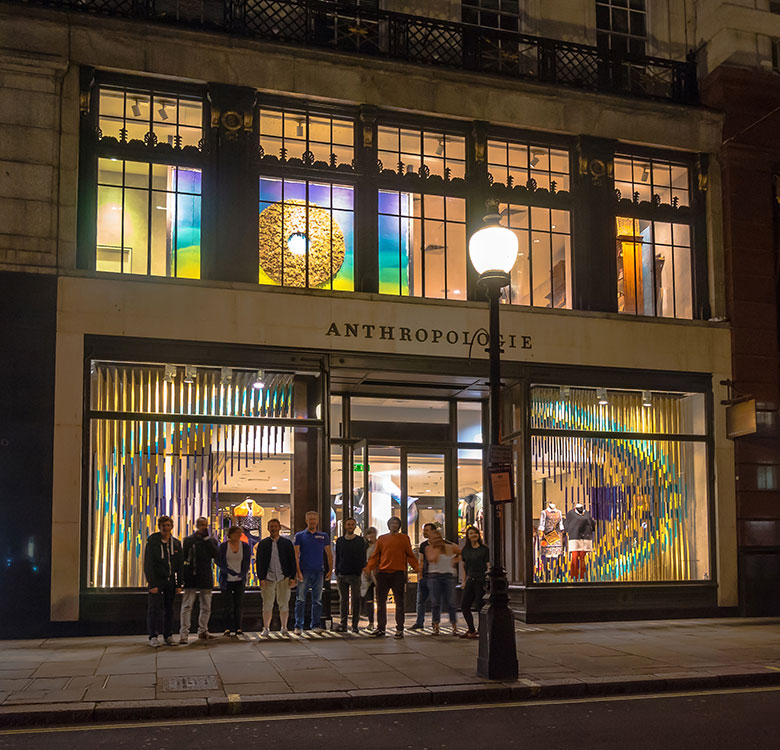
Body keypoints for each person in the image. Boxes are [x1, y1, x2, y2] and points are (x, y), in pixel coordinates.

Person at [364, 517, 420, 638]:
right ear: (388, 525)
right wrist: (369, 567)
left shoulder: (404, 538)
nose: (394, 525)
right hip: (383, 574)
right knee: (380, 602)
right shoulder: (382, 539)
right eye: (392, 523)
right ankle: (381, 628)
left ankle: (399, 628)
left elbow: (410, 555)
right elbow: (375, 556)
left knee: (399, 602)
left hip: (398, 573)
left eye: (396, 523)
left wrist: (417, 568)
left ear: (399, 526)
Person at [143, 515, 183, 648]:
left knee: (169, 609)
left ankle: (168, 635)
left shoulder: (176, 543)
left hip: (170, 581)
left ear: (172, 527)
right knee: (154, 609)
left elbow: (179, 565)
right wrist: (152, 583)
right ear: (159, 527)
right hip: (157, 581)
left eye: (168, 525)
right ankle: (153, 636)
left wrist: (179, 584)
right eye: (163, 526)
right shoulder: (153, 542)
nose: (166, 528)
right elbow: (148, 564)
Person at [179, 516, 219, 643]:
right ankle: (184, 633)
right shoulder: (189, 540)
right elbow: (184, 558)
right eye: (201, 525)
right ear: (196, 526)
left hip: (205, 576)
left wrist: (207, 539)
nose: (204, 527)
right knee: (187, 606)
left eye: (205, 525)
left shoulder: (211, 540)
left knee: (206, 606)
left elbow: (215, 555)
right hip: (191, 576)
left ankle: (203, 630)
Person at [293, 511, 333, 635]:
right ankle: (298, 626)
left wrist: (330, 570)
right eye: (310, 519)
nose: (312, 521)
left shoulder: (323, 536)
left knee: (317, 600)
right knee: (300, 599)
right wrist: (297, 571)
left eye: (314, 519)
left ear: (317, 520)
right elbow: (296, 554)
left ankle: (315, 624)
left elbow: (329, 554)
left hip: (319, 571)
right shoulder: (300, 536)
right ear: (306, 520)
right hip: (304, 571)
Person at [256, 517, 298, 637]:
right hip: (268, 578)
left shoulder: (287, 543)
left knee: (284, 603)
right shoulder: (263, 544)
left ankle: (284, 627)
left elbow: (292, 561)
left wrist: (292, 577)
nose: (273, 529)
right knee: (267, 604)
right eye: (271, 527)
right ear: (268, 528)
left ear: (279, 528)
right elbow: (259, 562)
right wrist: (261, 578)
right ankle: (266, 628)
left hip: (283, 577)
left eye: (275, 526)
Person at [216, 525, 251, 637]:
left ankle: (238, 627)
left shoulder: (245, 546)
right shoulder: (223, 546)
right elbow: (219, 561)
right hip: (227, 580)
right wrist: (228, 571)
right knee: (227, 605)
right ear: (230, 535)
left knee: (238, 604)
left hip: (239, 580)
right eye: (236, 533)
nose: (238, 536)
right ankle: (227, 627)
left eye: (239, 534)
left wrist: (242, 573)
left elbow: (246, 561)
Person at [425, 528, 461, 635]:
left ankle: (454, 626)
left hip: (448, 575)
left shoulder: (450, 547)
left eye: (438, 538)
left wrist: (454, 561)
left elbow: (461, 553)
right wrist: (437, 549)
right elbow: (432, 559)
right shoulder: (429, 548)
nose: (436, 540)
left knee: (451, 602)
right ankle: (436, 626)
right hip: (434, 576)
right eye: (434, 538)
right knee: (435, 602)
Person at [334, 517, 367, 633]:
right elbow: (337, 556)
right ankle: (343, 624)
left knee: (356, 600)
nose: (350, 526)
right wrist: (337, 571)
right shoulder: (340, 541)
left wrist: (360, 569)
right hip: (342, 573)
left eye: (352, 524)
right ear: (345, 526)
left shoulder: (360, 541)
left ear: (355, 526)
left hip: (355, 574)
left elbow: (363, 557)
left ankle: (355, 625)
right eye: (348, 524)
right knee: (343, 600)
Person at [459, 525, 490, 639]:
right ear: (467, 536)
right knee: (464, 605)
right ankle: (471, 629)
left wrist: (487, 579)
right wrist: (463, 581)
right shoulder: (465, 550)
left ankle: (481, 630)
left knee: (480, 606)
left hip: (481, 580)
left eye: (475, 533)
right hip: (470, 580)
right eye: (471, 533)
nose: (473, 535)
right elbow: (463, 566)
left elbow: (488, 565)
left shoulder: (484, 549)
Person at [409, 522, 439, 630]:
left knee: (435, 601)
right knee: (420, 600)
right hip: (425, 576)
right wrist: (419, 574)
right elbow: (421, 560)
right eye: (424, 530)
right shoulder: (423, 545)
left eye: (427, 530)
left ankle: (435, 623)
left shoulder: (441, 545)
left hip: (436, 576)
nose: (424, 532)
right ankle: (419, 622)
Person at [360, 527, 378, 631]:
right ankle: (371, 622)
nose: (370, 536)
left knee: (380, 598)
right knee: (368, 599)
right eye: (368, 534)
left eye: (372, 534)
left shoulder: (379, 545)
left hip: (377, 572)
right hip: (366, 573)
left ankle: (380, 622)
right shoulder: (364, 547)